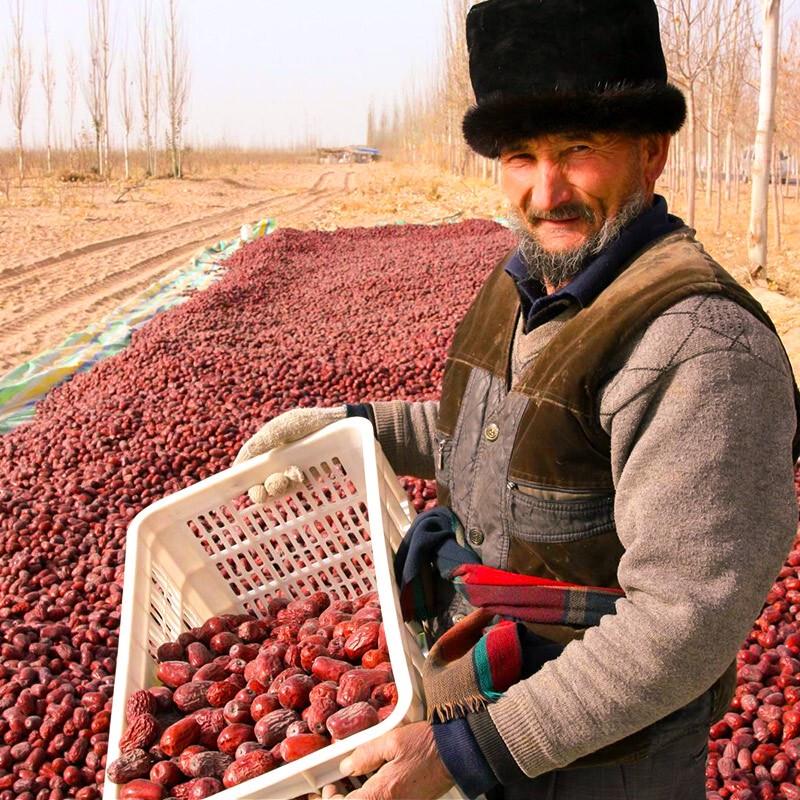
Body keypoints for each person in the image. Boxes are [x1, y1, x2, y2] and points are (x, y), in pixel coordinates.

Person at [234, 1, 800, 797]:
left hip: (601, 763)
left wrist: (460, 756)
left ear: (652, 152)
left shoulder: (701, 347)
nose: (546, 190)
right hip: (481, 691)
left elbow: (684, 621)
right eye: (520, 155)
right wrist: (351, 427)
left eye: (578, 150)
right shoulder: (534, 279)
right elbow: (509, 443)